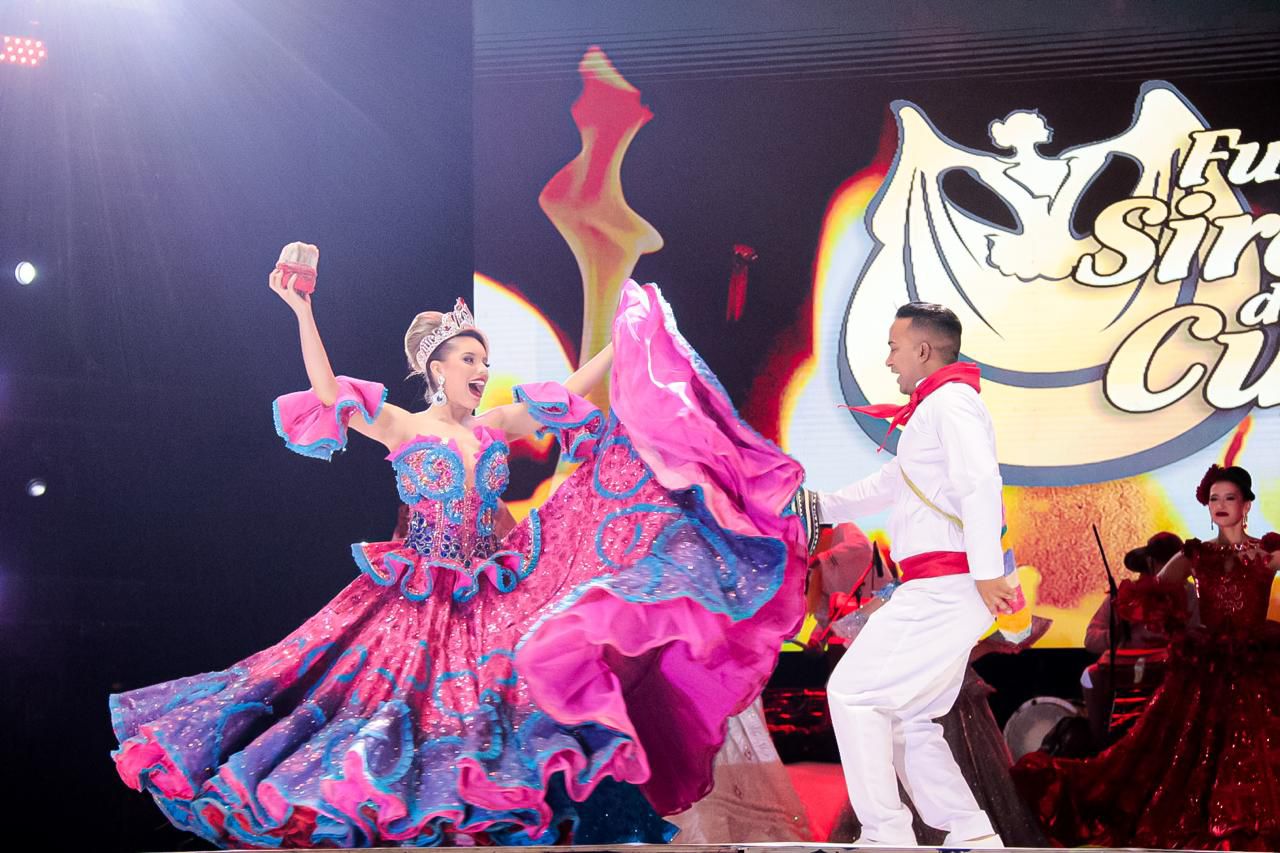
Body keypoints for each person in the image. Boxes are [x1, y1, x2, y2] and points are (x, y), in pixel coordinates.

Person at [108, 244, 808, 848]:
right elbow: (325, 389)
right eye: (470, 358)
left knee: (506, 705)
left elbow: (566, 392)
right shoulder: (403, 426)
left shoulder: (492, 426)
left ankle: (496, 821)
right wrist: (301, 309)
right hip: (414, 597)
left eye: (485, 359)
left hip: (489, 590)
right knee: (385, 711)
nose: (481, 368)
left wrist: (624, 335)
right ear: (435, 368)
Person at [812, 302, 1017, 848]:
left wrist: (986, 572)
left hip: (946, 586)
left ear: (923, 350)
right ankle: (970, 834)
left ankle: (886, 834)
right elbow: (889, 484)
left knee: (854, 694)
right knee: (910, 718)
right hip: (944, 587)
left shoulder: (951, 403)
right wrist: (813, 505)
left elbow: (980, 482)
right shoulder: (939, 407)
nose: (888, 360)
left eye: (894, 347)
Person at [1014, 464, 1280, 851]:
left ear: (1247, 505)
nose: (1221, 505)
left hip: (1256, 665)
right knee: (1186, 751)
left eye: (1230, 498)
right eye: (1214, 499)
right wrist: (1176, 628)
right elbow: (1151, 593)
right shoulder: (1195, 554)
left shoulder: (1268, 553)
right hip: (1206, 666)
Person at [1080, 531, 1190, 745]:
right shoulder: (1125, 596)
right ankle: (1100, 742)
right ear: (1149, 562)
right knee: (1089, 676)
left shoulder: (1190, 595)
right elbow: (1090, 639)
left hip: (1171, 672)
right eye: (1163, 562)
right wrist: (1117, 632)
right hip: (1125, 672)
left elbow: (1200, 633)